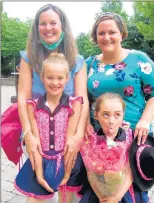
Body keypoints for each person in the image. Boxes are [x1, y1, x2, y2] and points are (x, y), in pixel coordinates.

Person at [17, 3, 89, 202]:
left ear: (62, 26)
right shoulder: (28, 59)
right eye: (43, 23)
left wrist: (78, 137)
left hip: (68, 137)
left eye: (53, 23)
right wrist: (28, 135)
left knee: (69, 194)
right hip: (38, 135)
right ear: (37, 28)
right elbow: (23, 97)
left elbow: (82, 101)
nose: (48, 27)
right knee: (38, 191)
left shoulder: (77, 61)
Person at [86, 12, 154, 145]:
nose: (107, 37)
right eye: (101, 33)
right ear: (96, 37)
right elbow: (82, 99)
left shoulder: (140, 60)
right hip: (99, 137)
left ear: (121, 34)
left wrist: (145, 121)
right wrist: (86, 123)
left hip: (135, 135)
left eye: (112, 32)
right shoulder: (89, 65)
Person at [15, 53, 83, 202]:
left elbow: (69, 141)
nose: (55, 82)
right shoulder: (33, 106)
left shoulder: (74, 105)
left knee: (65, 199)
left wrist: (66, 174)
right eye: (50, 77)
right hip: (41, 161)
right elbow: (37, 145)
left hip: (66, 161)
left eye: (60, 78)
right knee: (35, 198)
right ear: (42, 77)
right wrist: (39, 174)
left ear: (67, 79)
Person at [80, 92, 152, 203]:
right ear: (96, 115)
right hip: (98, 191)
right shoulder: (91, 141)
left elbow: (130, 171)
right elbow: (90, 171)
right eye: (105, 114)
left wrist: (117, 197)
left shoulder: (130, 138)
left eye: (117, 115)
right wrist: (100, 194)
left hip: (124, 191)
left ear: (123, 114)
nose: (111, 121)